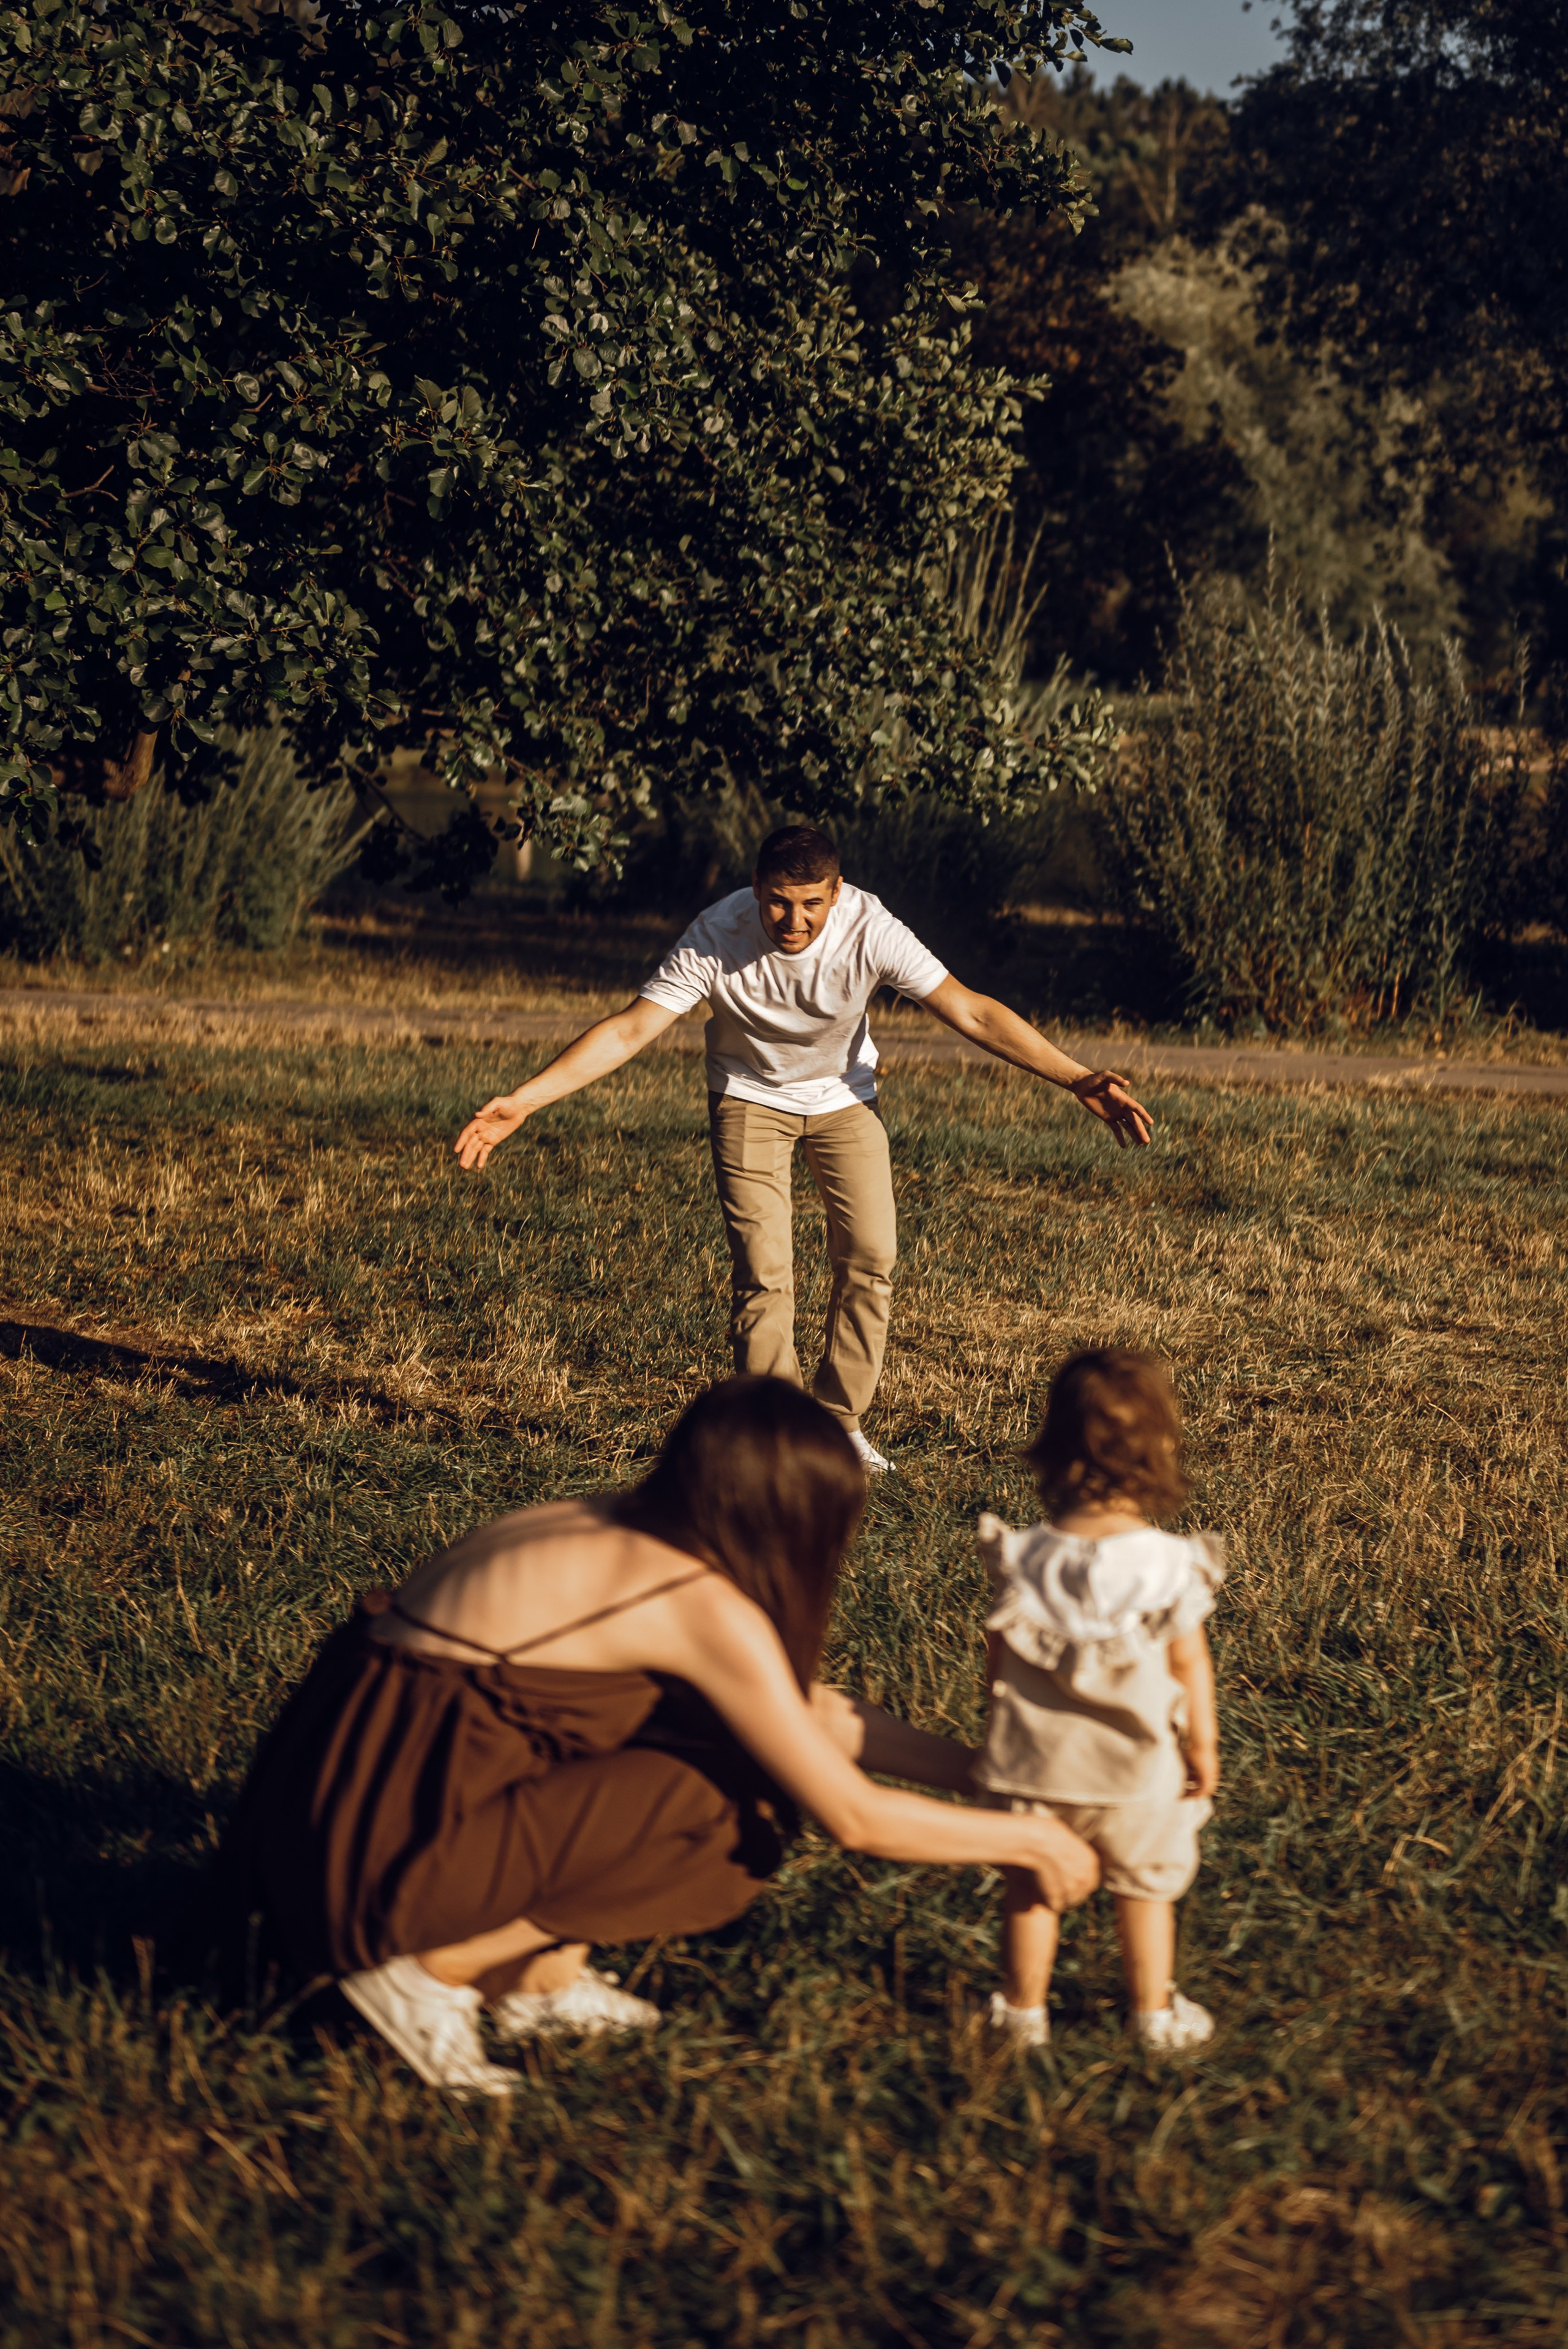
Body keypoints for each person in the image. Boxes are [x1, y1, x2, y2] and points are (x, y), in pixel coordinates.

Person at [202, 1376, 1100, 2098]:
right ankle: (427, 1965)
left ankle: (536, 1978)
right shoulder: (690, 1599)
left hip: (325, 1823)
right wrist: (1029, 1835)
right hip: (375, 1858)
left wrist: (990, 1773)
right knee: (738, 1804)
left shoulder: (609, 1524)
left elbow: (809, 1711)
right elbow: (853, 1814)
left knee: (732, 1744)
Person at [454, 824, 1153, 1475]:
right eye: (779, 904)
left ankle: (839, 1422)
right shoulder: (715, 936)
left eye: (811, 904)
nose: (794, 923)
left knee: (871, 1257)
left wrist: (1077, 1078)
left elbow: (969, 1009)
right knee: (765, 1271)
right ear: (756, 889)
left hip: (844, 1098)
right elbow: (629, 1031)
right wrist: (527, 1099)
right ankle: (773, 1432)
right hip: (749, 1098)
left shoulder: (869, 927)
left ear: (837, 892)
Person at [973, 1349, 1223, 2054]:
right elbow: (1188, 1662)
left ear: (1050, 1447)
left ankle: (1021, 2014)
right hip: (1140, 1773)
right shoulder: (1169, 1565)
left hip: (1035, 1769)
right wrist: (1200, 1747)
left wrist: (997, 1722)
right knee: (1144, 1892)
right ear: (1159, 1451)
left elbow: (998, 1660)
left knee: (1030, 1891)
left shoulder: (1022, 1556)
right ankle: (1153, 2015)